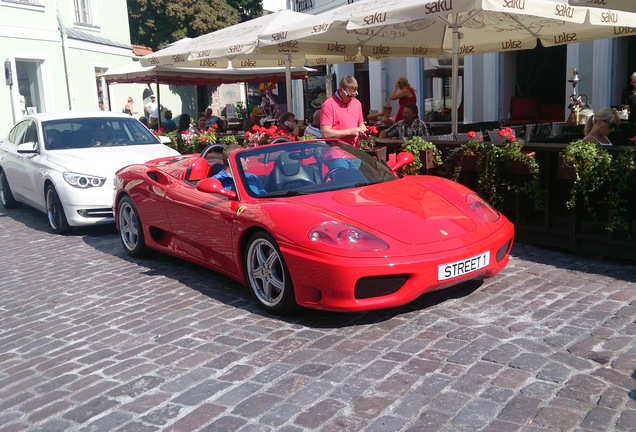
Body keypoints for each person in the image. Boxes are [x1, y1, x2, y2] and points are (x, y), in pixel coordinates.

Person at [320, 75, 367, 147]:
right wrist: (350, 132)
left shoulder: (357, 103)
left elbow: (360, 122)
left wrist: (362, 130)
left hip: (354, 151)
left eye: (355, 94)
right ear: (341, 90)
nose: (352, 98)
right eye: (349, 95)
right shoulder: (328, 105)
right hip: (336, 153)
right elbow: (326, 133)